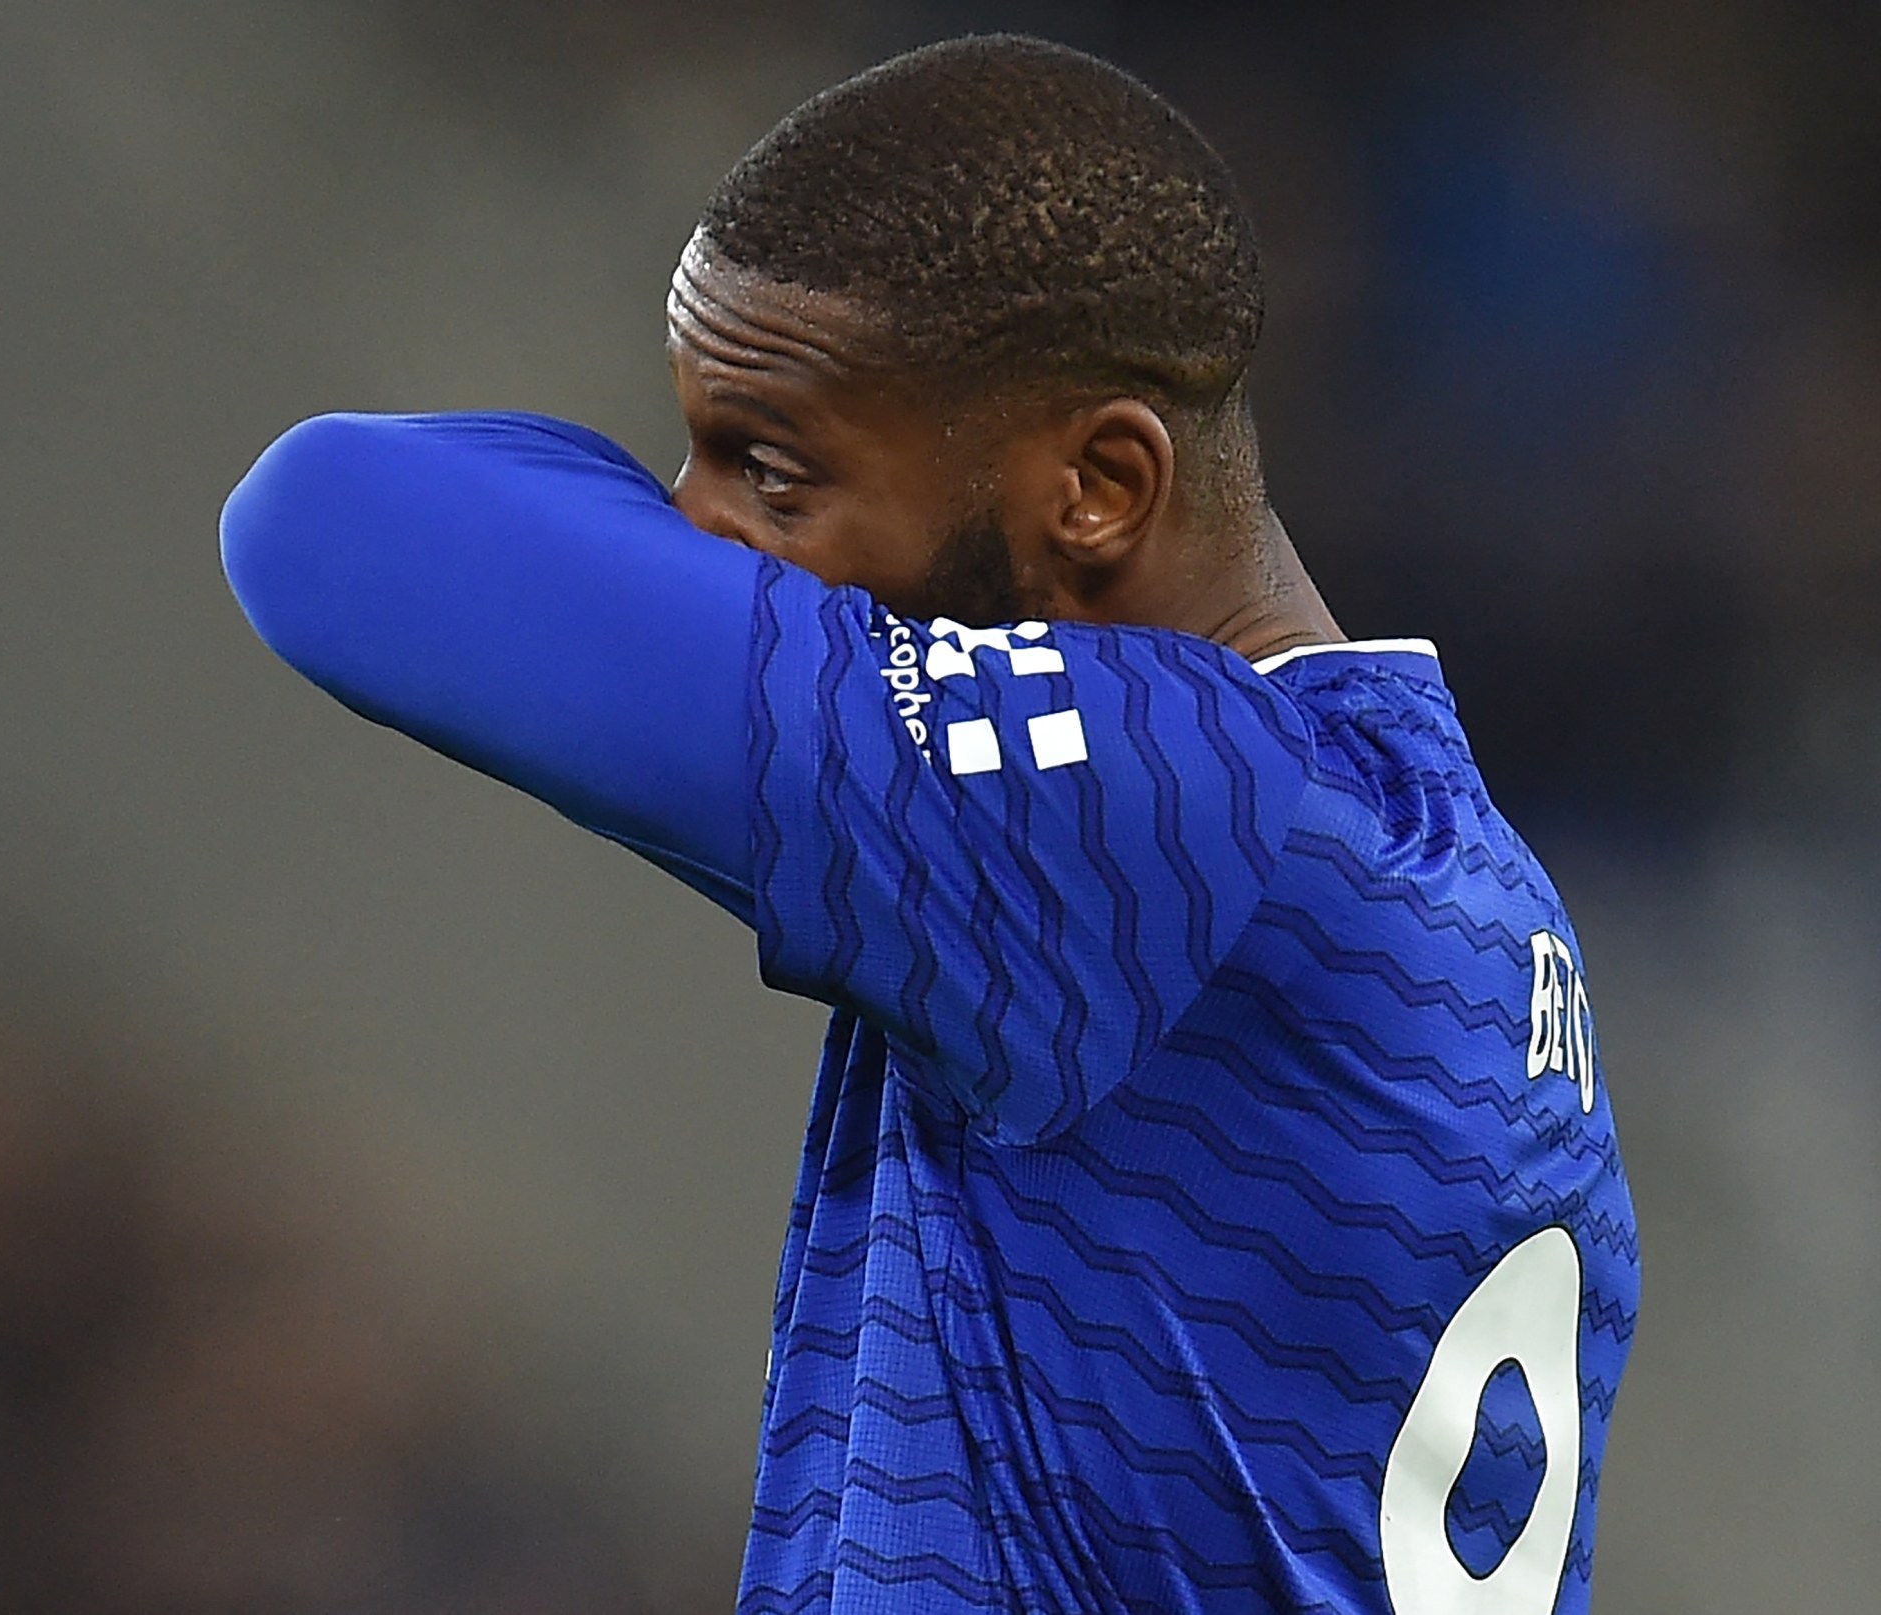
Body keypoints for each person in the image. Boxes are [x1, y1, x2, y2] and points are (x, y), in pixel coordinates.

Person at [220, 34, 1637, 1615]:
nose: (703, 537)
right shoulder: (1469, 893)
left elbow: (323, 526)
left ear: (1097, 489)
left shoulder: (1152, 805)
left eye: (774, 472)